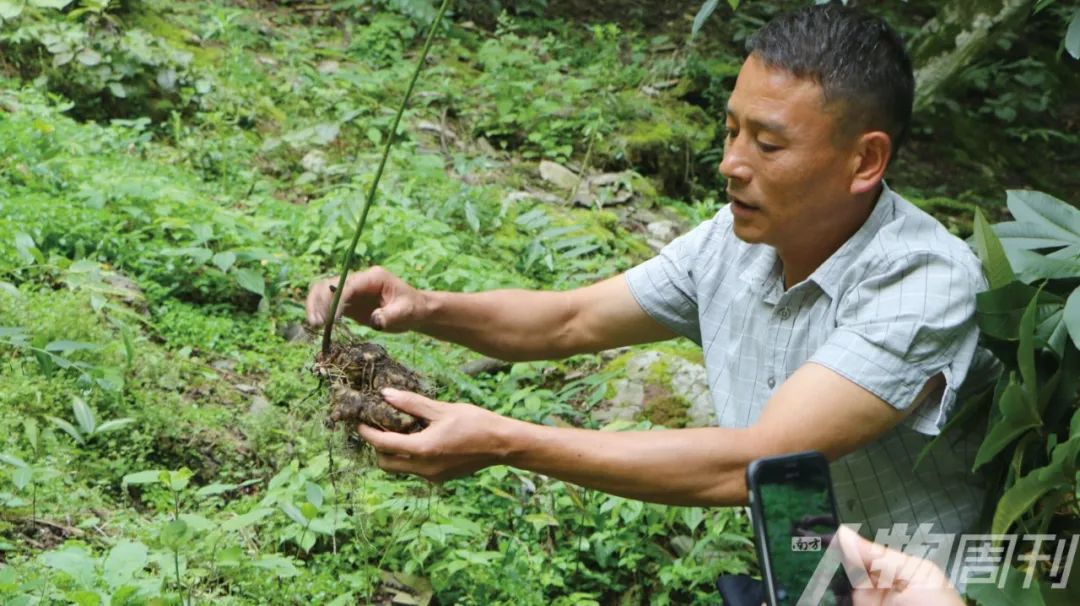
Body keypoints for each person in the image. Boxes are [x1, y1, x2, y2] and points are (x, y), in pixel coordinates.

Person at [306, 2, 991, 563]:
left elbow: (760, 464)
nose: (731, 164)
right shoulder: (734, 240)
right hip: (803, 570)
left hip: (925, 584)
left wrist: (505, 440)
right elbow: (570, 321)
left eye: (768, 144)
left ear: (865, 159)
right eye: (730, 131)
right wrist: (422, 307)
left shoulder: (922, 280)